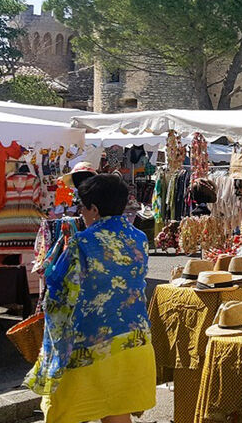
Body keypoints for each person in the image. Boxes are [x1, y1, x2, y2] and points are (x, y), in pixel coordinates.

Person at [25, 173, 155, 423]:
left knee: (63, 413)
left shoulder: (82, 242)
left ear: (93, 209)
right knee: (117, 413)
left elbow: (60, 290)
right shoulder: (139, 238)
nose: (80, 213)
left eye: (81, 207)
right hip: (133, 340)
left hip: (91, 347)